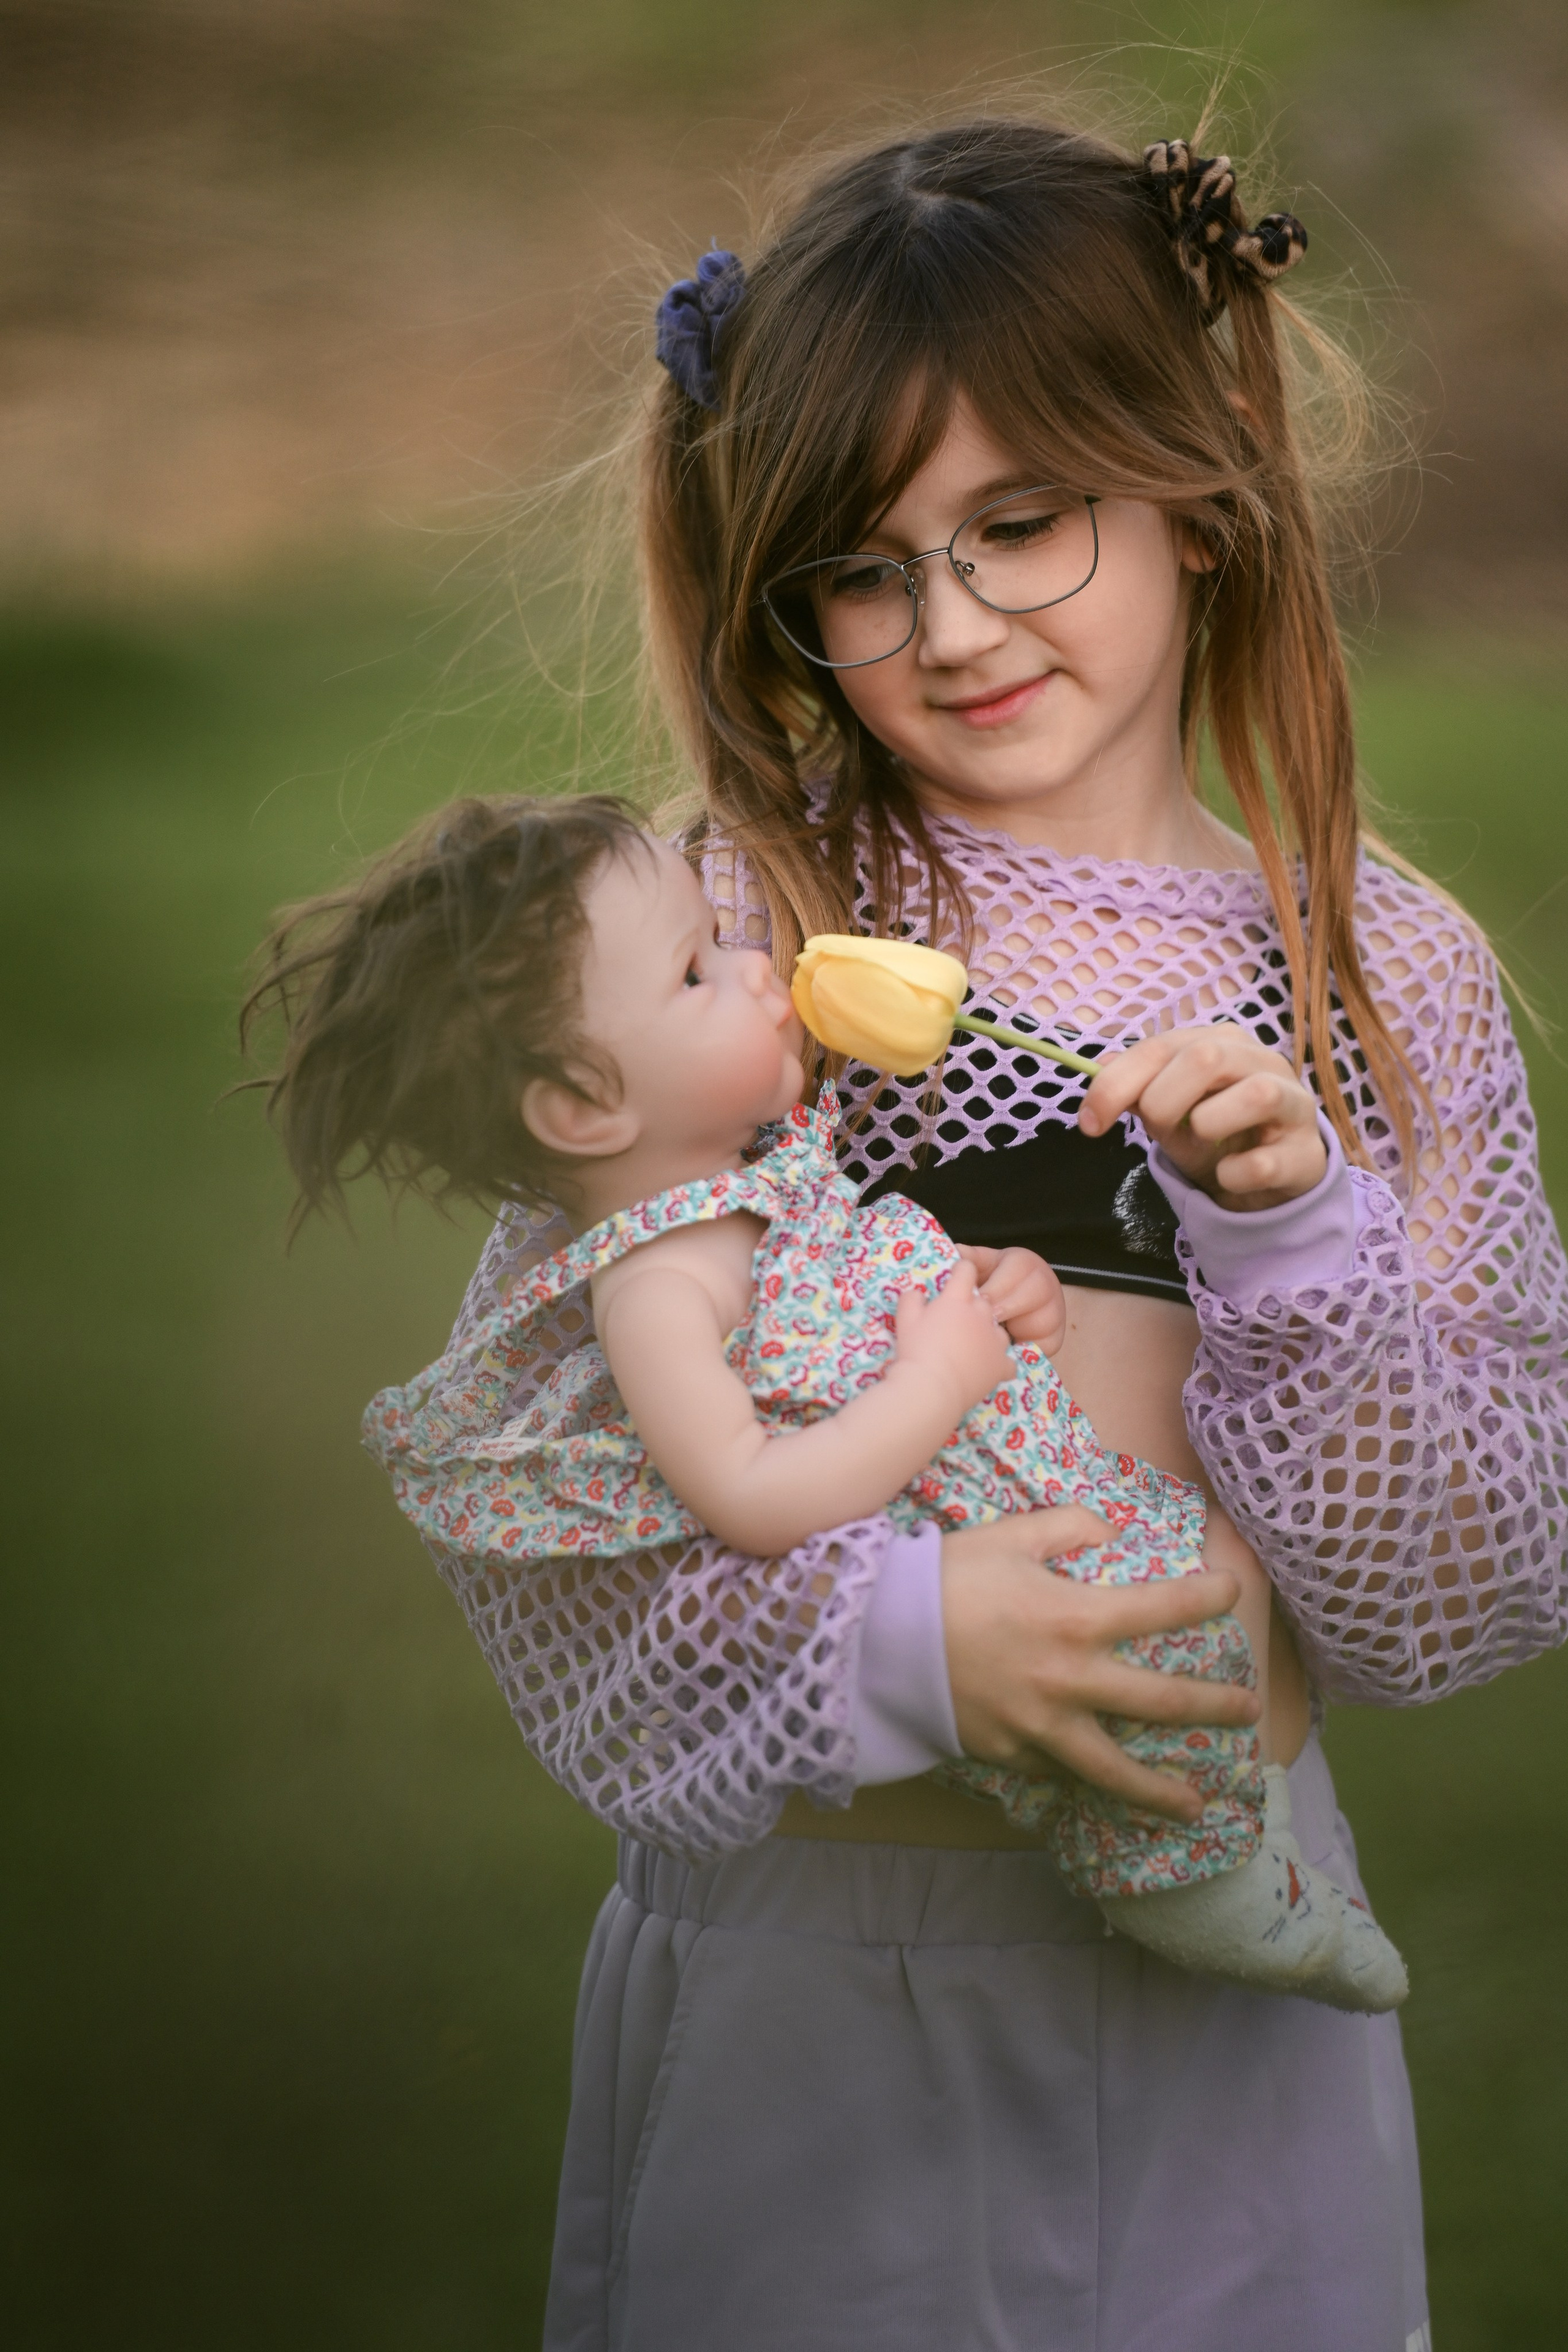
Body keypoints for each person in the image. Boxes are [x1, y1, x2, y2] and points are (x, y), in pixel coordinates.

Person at [281, 118, 1568, 2350]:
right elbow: (558, 1508)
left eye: (1021, 525)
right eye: (863, 574)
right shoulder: (723, 938)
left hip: (1240, 1978)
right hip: (827, 1983)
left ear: (1201, 470)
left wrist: (1293, 1240)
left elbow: (1465, 1584)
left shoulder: (1382, 978)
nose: (949, 626)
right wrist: (903, 1646)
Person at [249, 789, 1405, 2003]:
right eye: (698, 970)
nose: (756, 966)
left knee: (1222, 1575)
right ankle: (1194, 1878)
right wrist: (937, 1377)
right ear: (585, 1109)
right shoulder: (650, 1281)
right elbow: (750, 1493)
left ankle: (1240, 1829)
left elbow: (841, 1292)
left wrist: (976, 1286)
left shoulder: (760, 1177)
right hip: (953, 1553)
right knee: (1145, 1651)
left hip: (1028, 1476)